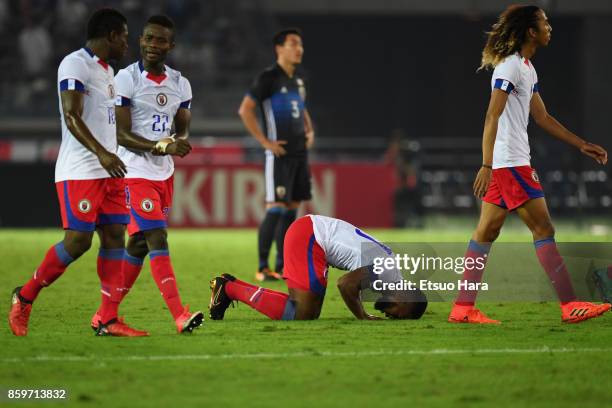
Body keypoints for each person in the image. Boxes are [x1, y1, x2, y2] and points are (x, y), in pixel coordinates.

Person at [448, 5, 610, 324]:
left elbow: (542, 117)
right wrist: (486, 164)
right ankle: (570, 306)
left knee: (486, 232)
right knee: (543, 228)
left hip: (506, 162)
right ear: (531, 32)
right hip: (510, 164)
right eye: (545, 23)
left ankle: (462, 308)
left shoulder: (526, 68)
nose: (550, 28)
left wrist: (581, 144)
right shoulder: (509, 68)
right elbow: (491, 116)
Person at [9, 9, 148, 337]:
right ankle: (25, 296)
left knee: (116, 237)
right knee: (78, 241)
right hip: (81, 170)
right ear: (111, 35)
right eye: (125, 37)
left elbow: (107, 124)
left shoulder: (108, 72)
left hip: (110, 171)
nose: (128, 43)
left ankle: (108, 318)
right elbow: (71, 116)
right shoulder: (74, 63)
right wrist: (101, 153)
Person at [90, 15, 203, 334]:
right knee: (157, 237)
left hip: (163, 176)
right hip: (134, 172)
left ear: (171, 45)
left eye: (161, 40)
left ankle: (104, 315)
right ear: (140, 41)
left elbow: (182, 128)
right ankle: (180, 314)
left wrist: (178, 142)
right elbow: (121, 135)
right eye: (149, 39)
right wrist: (161, 146)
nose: (154, 45)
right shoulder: (126, 79)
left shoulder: (181, 83)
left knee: (139, 244)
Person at [209, 215, 427, 321]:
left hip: (312, 235)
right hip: (311, 238)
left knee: (304, 311)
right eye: (399, 313)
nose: (392, 316)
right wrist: (363, 316)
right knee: (303, 313)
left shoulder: (390, 270)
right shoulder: (386, 272)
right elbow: (345, 285)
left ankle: (230, 286)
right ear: (405, 298)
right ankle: (228, 288)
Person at [238, 28, 315, 282]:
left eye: (301, 44)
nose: (299, 49)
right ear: (279, 48)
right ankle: (262, 267)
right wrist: (264, 142)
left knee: (292, 209)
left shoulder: (299, 79)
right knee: (276, 208)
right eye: (294, 44)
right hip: (279, 154)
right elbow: (245, 110)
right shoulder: (269, 77)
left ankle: (282, 267)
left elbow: (300, 108)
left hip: (300, 154)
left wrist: (309, 129)